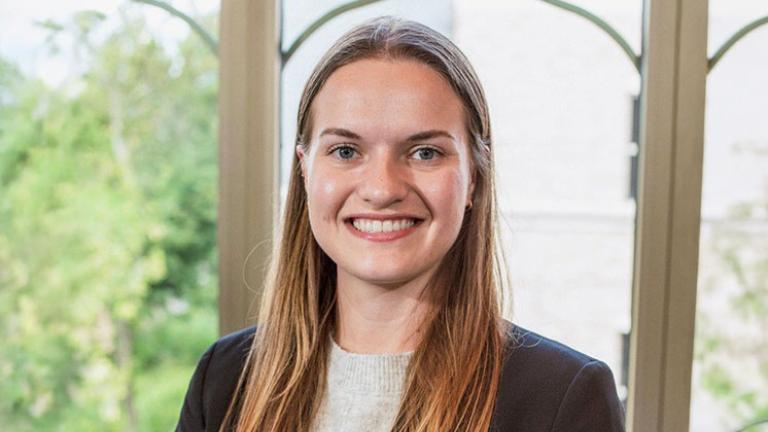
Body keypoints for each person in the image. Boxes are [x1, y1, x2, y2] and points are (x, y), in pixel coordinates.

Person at [176, 16, 625, 432]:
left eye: (425, 152)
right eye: (346, 152)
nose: (382, 188)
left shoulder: (563, 398)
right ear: (305, 170)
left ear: (474, 179)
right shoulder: (224, 379)